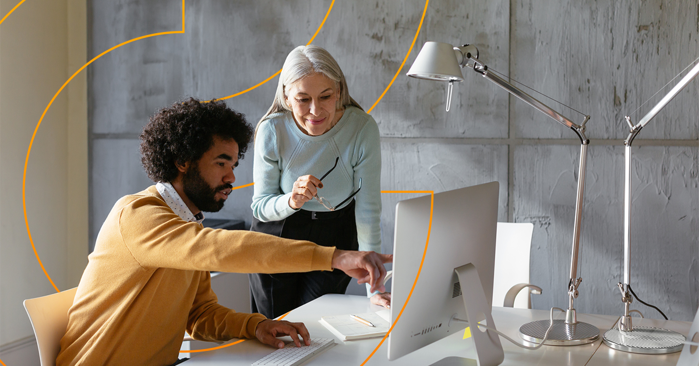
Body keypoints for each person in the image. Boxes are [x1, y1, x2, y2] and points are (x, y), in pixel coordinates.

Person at [56, 98, 391, 366]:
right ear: (183, 160)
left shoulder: (186, 224)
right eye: (221, 163)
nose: (231, 177)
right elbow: (220, 248)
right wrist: (333, 256)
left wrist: (256, 325)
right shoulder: (138, 215)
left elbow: (199, 314)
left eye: (233, 165)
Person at [249, 44, 390, 320]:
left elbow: (368, 209)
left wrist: (375, 289)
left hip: (336, 232)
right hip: (279, 233)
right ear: (287, 97)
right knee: (276, 327)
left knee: (317, 324)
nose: (315, 111)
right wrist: (291, 200)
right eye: (303, 99)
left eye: (325, 96)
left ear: (339, 91)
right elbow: (260, 207)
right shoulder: (272, 130)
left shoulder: (362, 128)